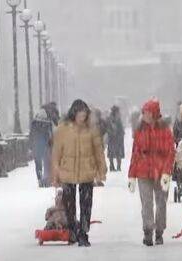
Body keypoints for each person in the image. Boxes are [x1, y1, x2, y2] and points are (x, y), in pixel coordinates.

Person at [51, 99, 107, 247]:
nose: (82, 117)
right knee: (69, 205)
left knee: (86, 204)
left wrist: (101, 170)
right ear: (74, 113)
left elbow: (98, 151)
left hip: (86, 172)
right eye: (80, 113)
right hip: (67, 172)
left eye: (84, 114)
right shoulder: (62, 129)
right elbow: (56, 153)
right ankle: (73, 230)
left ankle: (83, 233)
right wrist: (55, 175)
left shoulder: (92, 129)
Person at [128, 99, 175, 246]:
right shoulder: (140, 130)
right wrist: (131, 175)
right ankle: (148, 230)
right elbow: (135, 153)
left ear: (155, 113)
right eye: (144, 112)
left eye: (148, 112)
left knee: (161, 203)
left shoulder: (165, 130)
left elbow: (170, 152)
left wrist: (167, 172)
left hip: (161, 172)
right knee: (147, 203)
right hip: (143, 172)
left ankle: (159, 231)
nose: (145, 115)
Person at [29, 109, 53, 187]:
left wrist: (31, 147)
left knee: (38, 164)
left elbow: (31, 136)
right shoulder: (48, 124)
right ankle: (46, 179)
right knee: (46, 163)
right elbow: (50, 135)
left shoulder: (34, 124)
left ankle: (40, 179)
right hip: (46, 146)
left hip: (37, 146)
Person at [106, 106, 125, 172]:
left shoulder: (110, 118)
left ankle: (113, 166)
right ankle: (115, 166)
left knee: (114, 152)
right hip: (115, 138)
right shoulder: (116, 118)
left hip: (114, 138)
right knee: (117, 153)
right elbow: (121, 128)